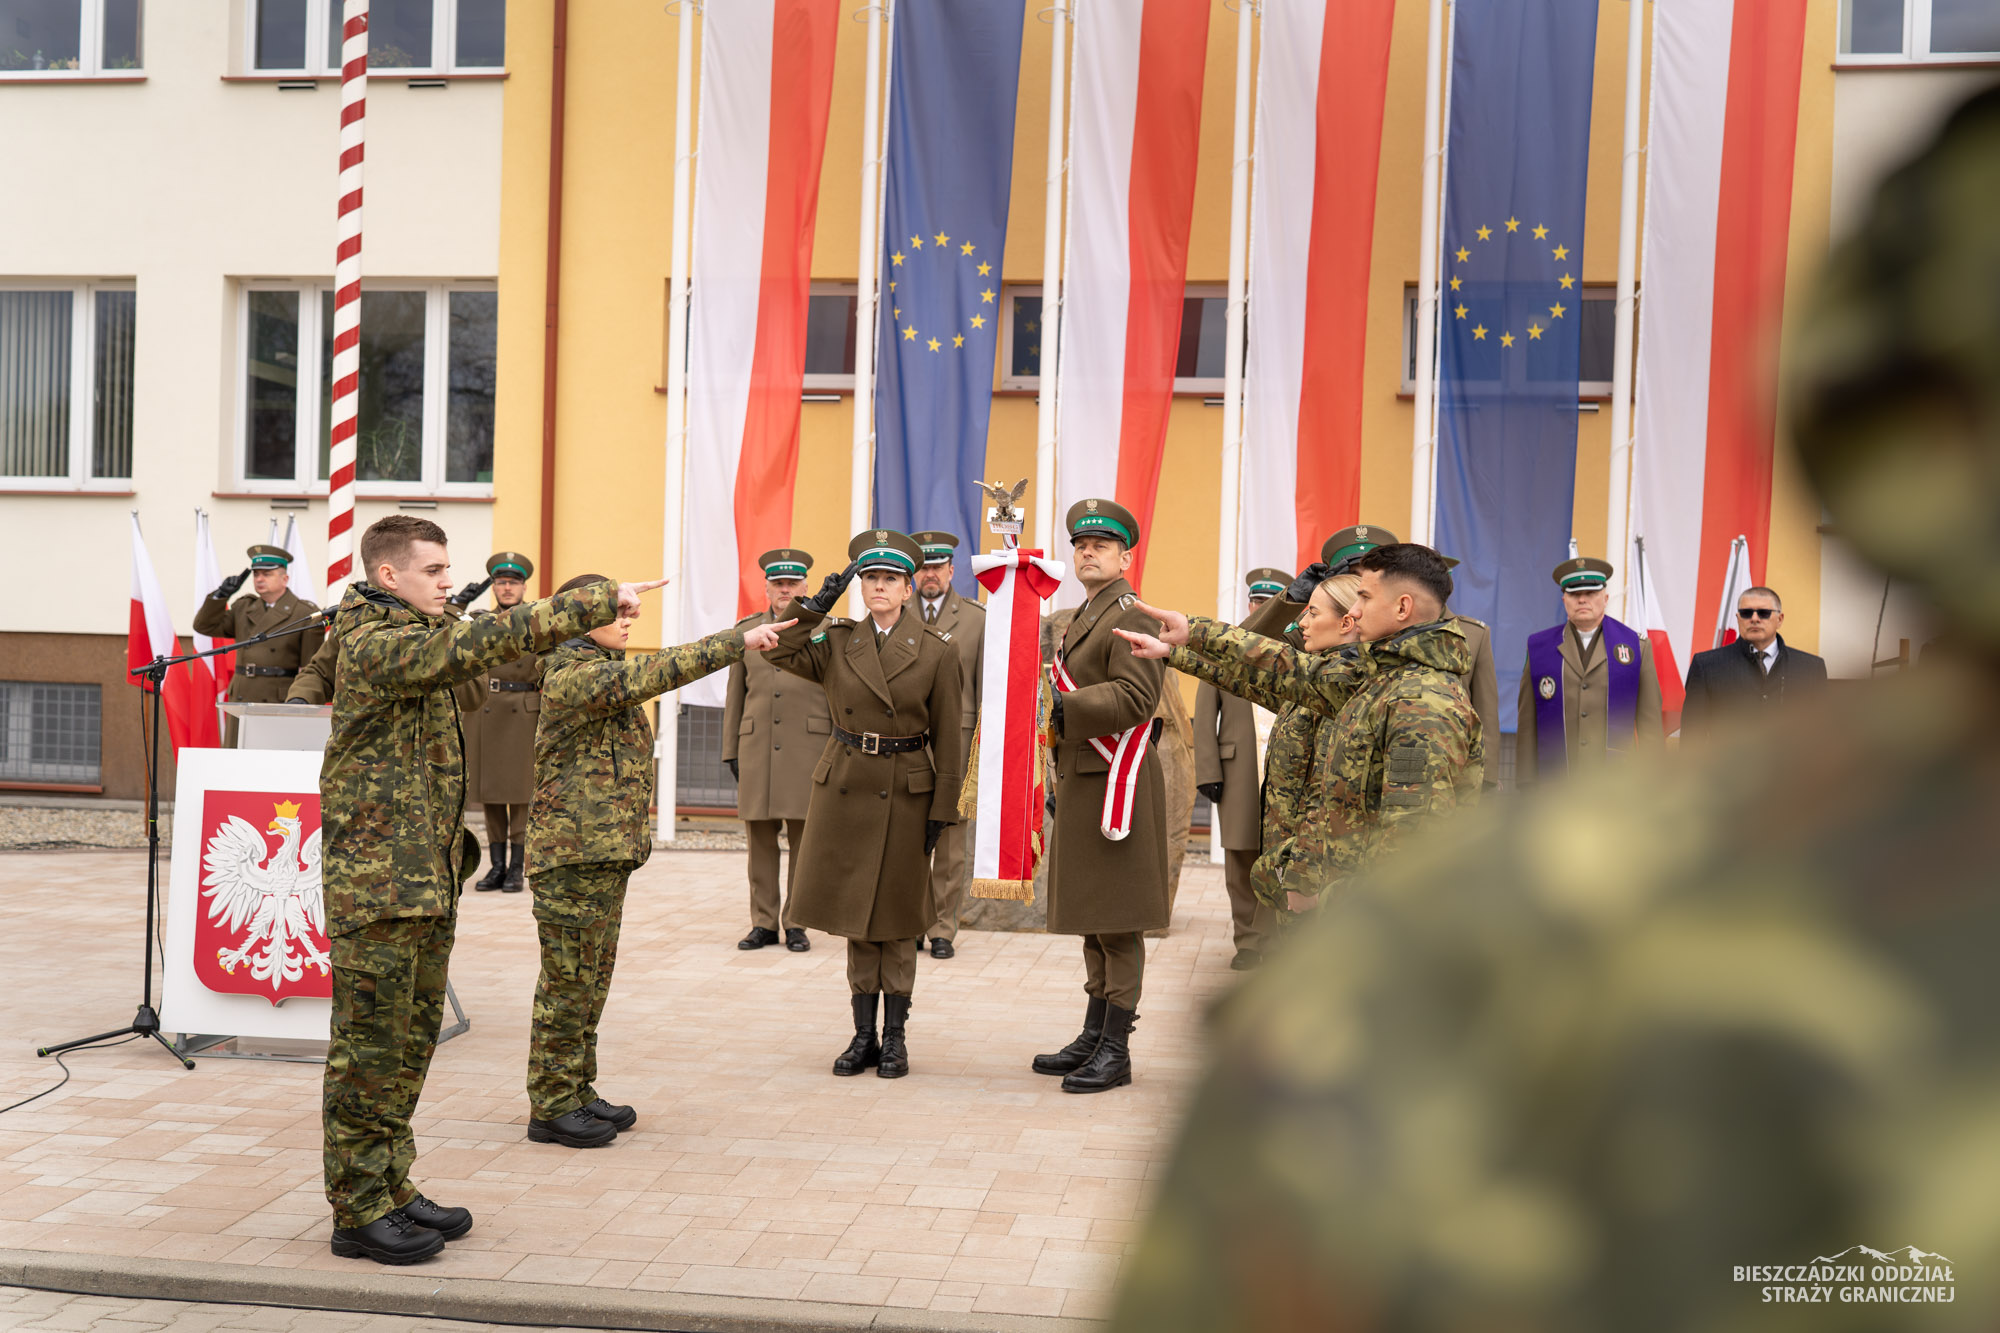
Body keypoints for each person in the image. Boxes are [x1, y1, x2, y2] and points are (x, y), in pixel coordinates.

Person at [1110, 91, 2000, 1329]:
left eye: (1354, 594)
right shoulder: (1404, 685)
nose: (1338, 606)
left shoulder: (1501, 911)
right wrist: (1199, 635)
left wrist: (1345, 897)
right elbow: (1287, 676)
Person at [319, 514, 659, 1265]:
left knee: (406, 1047)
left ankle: (391, 1185)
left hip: (422, 876)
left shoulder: (418, 634)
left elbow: (472, 665)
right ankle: (357, 1205)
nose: (450, 582)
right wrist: (589, 604)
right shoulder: (375, 641)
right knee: (367, 1052)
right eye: (435, 570)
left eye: (448, 570)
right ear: (388, 576)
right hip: (378, 884)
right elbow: (476, 646)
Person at [523, 575, 788, 1148]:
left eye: (628, 612)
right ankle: (550, 1103)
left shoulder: (591, 663)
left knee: (591, 980)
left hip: (599, 854)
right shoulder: (573, 672)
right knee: (568, 984)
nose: (627, 622)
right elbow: (658, 671)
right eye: (615, 612)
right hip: (572, 857)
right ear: (576, 617)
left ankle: (575, 1088)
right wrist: (736, 641)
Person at [1118, 543, 1482, 893]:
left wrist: (1326, 901)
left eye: (1365, 598)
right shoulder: (1381, 679)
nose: (1354, 612)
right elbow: (1278, 675)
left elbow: (1411, 845)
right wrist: (1184, 644)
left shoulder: (1421, 701)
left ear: (1403, 607)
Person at [764, 530, 961, 1080]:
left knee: (896, 919)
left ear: (907, 588)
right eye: (869, 577)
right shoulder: (836, 640)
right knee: (857, 915)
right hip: (846, 783)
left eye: (890, 579)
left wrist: (943, 806)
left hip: (905, 788)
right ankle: (862, 1037)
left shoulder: (938, 650)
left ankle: (894, 1039)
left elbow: (950, 736)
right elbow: (780, 649)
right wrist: (815, 606)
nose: (879, 586)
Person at [1032, 498, 1169, 1096]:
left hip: (1120, 780)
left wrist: (1064, 707)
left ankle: (1117, 1048)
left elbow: (1136, 697)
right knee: (1095, 916)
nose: (1088, 552)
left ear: (1125, 556)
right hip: (1088, 776)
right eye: (1081, 544)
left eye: (1102, 545)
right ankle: (1094, 1032)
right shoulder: (1088, 611)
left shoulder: (1132, 614)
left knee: (1118, 921)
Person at [1254, 524, 1497, 756]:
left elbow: (1481, 717)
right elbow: (1244, 651)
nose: (1359, 590)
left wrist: (1486, 790)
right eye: (1353, 576)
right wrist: (1293, 599)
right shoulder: (1317, 628)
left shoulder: (1454, 636)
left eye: (1369, 583)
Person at [723, 548, 827, 953]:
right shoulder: (746, 630)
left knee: (805, 842)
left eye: (793, 584)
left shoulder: (823, 630)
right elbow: (736, 694)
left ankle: (797, 923)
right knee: (760, 842)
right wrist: (730, 749)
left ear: (806, 587)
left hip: (809, 748)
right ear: (767, 588)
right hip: (758, 749)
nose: (785, 590)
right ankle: (763, 923)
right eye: (778, 584)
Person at [1192, 568, 1288, 970]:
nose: (1260, 608)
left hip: (1286, 773)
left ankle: (1278, 938)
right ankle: (1248, 941)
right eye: (1255, 601)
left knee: (1282, 857)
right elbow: (1203, 712)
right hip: (1239, 773)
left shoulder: (1297, 649)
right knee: (1240, 860)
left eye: (1269, 602)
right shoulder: (1226, 645)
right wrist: (1207, 771)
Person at [1513, 555, 1664, 784]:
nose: (1582, 600)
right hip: (1556, 786)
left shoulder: (1636, 647)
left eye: (1590, 593)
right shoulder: (1538, 648)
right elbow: (1527, 724)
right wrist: (1526, 785)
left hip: (1617, 787)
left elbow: (1650, 725)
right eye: (1574, 593)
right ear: (1564, 599)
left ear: (1605, 598)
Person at [909, 530, 985, 959]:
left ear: (952, 571)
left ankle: (943, 929)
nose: (930, 574)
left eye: (938, 566)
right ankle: (914, 923)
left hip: (958, 743)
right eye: (923, 568)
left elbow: (984, 688)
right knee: (911, 839)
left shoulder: (976, 619)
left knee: (952, 844)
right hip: (911, 745)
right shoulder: (898, 614)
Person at [457, 552, 539, 892]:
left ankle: (518, 868)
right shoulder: (478, 621)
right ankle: (496, 867)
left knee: (520, 793)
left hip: (524, 708)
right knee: (490, 793)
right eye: (501, 583)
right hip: (487, 706)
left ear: (523, 587)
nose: (507, 588)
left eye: (513, 583)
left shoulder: (536, 619)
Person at [193, 543, 325, 746]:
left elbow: (312, 667)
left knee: (270, 761)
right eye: (256, 574)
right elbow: (204, 626)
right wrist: (221, 595)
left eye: (267, 574)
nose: (259, 579)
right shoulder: (244, 607)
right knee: (238, 762)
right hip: (242, 697)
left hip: (277, 699)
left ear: (285, 578)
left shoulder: (304, 613)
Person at [1680, 586, 1828, 739]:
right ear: (1738, 618)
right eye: (1746, 613)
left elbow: (1821, 734)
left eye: (1764, 613)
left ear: (1780, 619)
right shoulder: (1706, 666)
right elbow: (1692, 737)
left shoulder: (1810, 668)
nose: (1755, 618)